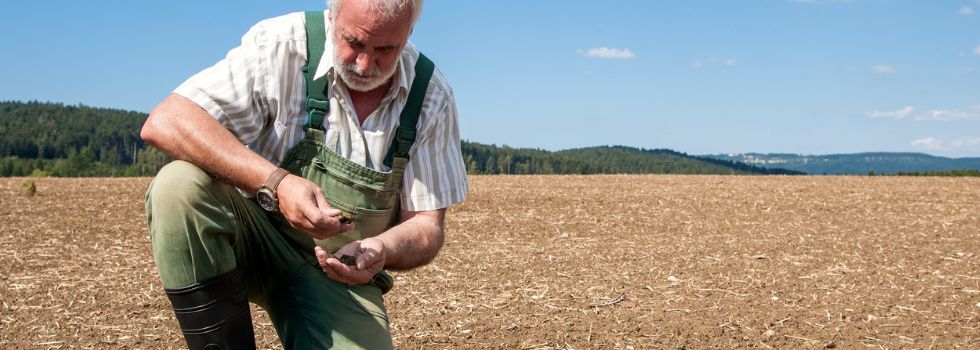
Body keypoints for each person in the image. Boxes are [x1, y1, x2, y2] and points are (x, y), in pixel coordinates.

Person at [140, 0, 468, 348]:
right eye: (354, 42)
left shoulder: (431, 96)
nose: (365, 64)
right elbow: (168, 121)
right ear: (332, 15)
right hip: (249, 239)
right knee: (177, 187)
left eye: (386, 49)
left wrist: (382, 248)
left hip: (337, 274)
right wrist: (276, 184)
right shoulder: (281, 46)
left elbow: (426, 224)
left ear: (409, 33)